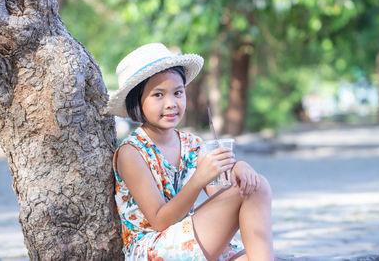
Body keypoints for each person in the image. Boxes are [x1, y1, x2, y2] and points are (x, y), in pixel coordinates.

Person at [108, 43, 274, 261]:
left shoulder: (191, 143)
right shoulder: (132, 152)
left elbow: (222, 196)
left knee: (254, 187)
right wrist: (198, 180)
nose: (171, 103)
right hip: (153, 249)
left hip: (190, 239)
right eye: (158, 95)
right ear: (136, 102)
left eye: (178, 92)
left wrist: (239, 168)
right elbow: (159, 221)